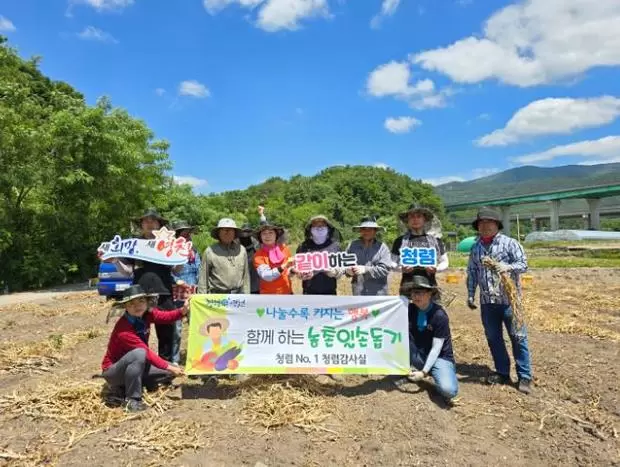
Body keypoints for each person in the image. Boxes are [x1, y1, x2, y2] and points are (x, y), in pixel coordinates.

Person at [466, 207, 532, 394]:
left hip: (510, 301)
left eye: (489, 222)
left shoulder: (510, 243)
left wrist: (507, 267)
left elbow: (524, 265)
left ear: (497, 225)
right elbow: (472, 272)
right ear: (478, 226)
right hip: (487, 302)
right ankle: (502, 372)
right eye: (482, 223)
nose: (485, 226)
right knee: (494, 339)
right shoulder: (475, 248)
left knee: (518, 338)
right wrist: (471, 294)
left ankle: (524, 376)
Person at [101, 285, 188, 412]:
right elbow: (145, 352)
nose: (137, 306)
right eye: (131, 303)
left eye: (141, 301)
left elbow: (166, 317)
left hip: (136, 365)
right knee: (140, 354)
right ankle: (132, 400)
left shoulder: (146, 315)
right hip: (113, 372)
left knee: (169, 372)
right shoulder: (123, 328)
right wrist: (169, 366)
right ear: (125, 306)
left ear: (147, 302)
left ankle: (129, 386)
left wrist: (183, 311)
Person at [110, 208, 181, 362]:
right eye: (146, 220)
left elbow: (177, 270)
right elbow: (127, 271)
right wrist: (115, 260)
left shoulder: (168, 244)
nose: (149, 223)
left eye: (153, 220)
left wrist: (182, 257)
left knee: (167, 333)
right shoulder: (133, 244)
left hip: (164, 295)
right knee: (138, 333)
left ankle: (166, 371)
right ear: (141, 224)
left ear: (159, 224)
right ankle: (141, 368)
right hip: (139, 297)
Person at [395, 276, 458, 403]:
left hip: (439, 357)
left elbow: (436, 348)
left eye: (420, 292)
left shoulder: (439, 316)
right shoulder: (409, 309)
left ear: (430, 294)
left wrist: (423, 372)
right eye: (413, 293)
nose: (415, 296)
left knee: (449, 390)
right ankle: (408, 370)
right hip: (418, 354)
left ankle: (435, 371)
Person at [391, 203, 449, 295]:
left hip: (430, 287)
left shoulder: (436, 241)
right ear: (407, 220)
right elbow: (392, 262)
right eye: (412, 217)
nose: (415, 219)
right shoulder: (400, 241)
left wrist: (436, 269)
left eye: (418, 216)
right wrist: (401, 268)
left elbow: (444, 262)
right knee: (408, 310)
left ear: (424, 219)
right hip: (407, 287)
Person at [170, 220, 201, 365]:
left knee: (196, 328)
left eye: (188, 234)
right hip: (177, 294)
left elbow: (200, 270)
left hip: (194, 293)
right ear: (176, 236)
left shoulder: (194, 252)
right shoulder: (169, 252)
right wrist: (176, 280)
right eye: (183, 233)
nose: (187, 236)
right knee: (176, 329)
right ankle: (174, 360)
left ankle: (195, 359)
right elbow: (167, 272)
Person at [197, 218, 250, 294]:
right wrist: (202, 298)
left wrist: (247, 296)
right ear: (219, 233)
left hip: (238, 296)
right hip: (217, 297)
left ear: (235, 233)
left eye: (230, 230)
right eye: (224, 230)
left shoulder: (242, 250)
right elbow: (203, 278)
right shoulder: (210, 251)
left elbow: (246, 276)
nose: (227, 233)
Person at [345, 216, 391, 296]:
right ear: (360, 231)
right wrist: (347, 271)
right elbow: (345, 264)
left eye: (370, 229)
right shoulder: (352, 245)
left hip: (378, 292)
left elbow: (385, 269)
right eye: (363, 229)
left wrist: (366, 269)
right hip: (358, 291)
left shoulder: (382, 247)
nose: (366, 232)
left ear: (375, 231)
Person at [296, 215, 342, 295]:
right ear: (310, 229)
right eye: (315, 225)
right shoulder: (303, 246)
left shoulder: (335, 246)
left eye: (322, 225)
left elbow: (342, 268)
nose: (319, 227)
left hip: (330, 291)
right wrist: (300, 274)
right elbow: (297, 267)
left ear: (328, 228)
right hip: (309, 292)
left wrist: (336, 272)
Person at [253, 222, 295, 294]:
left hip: (287, 291)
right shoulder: (258, 255)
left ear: (276, 235)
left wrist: (293, 270)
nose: (267, 236)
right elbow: (266, 276)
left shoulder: (284, 249)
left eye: (271, 233)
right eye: (264, 233)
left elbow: (289, 272)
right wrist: (283, 266)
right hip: (268, 296)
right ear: (260, 237)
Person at [239, 206, 268, 294]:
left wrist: (262, 215)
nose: (245, 234)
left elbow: (265, 229)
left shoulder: (257, 245)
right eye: (243, 232)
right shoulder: (235, 246)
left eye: (248, 232)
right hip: (241, 287)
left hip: (257, 285)